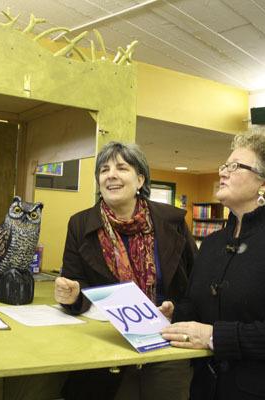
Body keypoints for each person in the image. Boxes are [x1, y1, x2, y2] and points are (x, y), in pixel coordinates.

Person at [161, 128, 265, 400]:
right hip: (208, 389)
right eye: (224, 165)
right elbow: (197, 305)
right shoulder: (213, 243)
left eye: (235, 166)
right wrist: (175, 314)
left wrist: (216, 337)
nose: (222, 173)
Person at [55, 141, 196, 400]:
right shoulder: (80, 224)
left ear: (140, 179)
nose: (111, 175)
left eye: (122, 168)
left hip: (166, 341)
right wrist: (73, 294)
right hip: (106, 344)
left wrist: (177, 309)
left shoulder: (172, 221)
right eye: (104, 169)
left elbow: (195, 284)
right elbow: (77, 284)